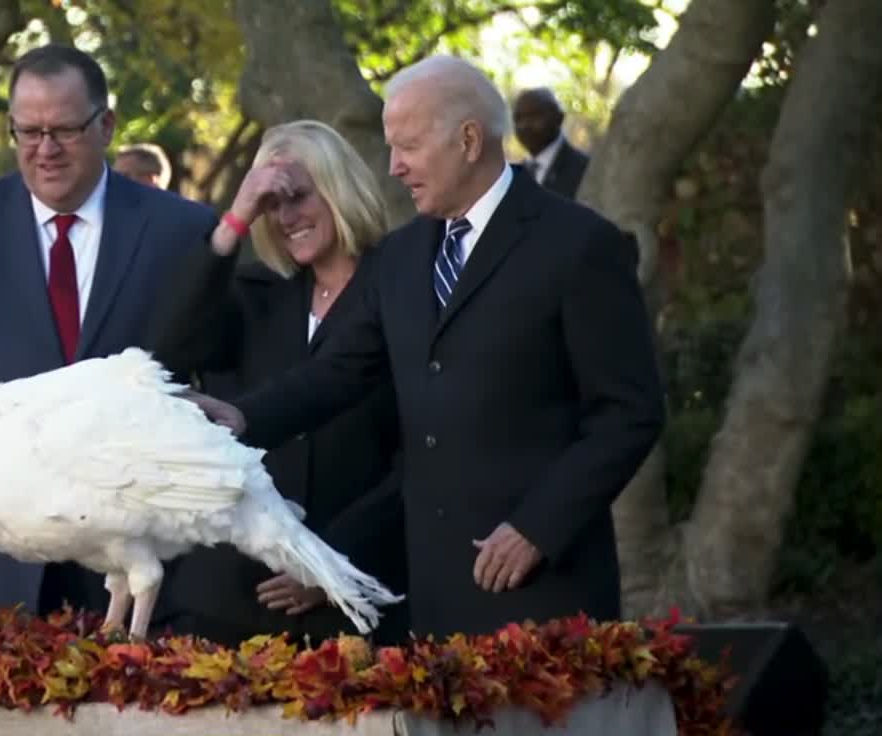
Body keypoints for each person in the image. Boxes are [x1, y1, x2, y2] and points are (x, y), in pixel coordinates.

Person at [189, 55, 664, 639]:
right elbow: (340, 369)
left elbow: (629, 413)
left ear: (467, 140)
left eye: (407, 147)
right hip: (433, 596)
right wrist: (245, 415)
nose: (394, 168)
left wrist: (538, 528)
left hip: (544, 587)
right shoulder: (401, 257)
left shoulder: (580, 245)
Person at [0, 44, 216, 623]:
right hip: (1, 566)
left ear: (106, 125)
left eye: (64, 129)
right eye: (28, 132)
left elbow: (226, 378)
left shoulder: (182, 231)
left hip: (148, 565)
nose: (45, 149)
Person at [149, 120, 409, 647]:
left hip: (354, 595)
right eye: (271, 204)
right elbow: (172, 351)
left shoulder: (403, 288)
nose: (287, 217)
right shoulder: (253, 293)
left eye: (298, 196)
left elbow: (423, 450)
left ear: (338, 188)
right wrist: (235, 220)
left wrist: (333, 562)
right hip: (230, 602)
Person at [511, 87, 589, 199]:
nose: (525, 125)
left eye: (534, 116)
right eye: (518, 118)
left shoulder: (584, 169)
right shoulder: (513, 176)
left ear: (559, 118)